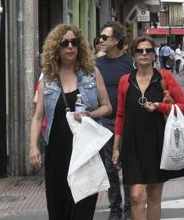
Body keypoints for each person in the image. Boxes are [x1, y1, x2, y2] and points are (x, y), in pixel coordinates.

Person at [29, 24, 112, 220]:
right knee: (58, 211)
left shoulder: (91, 74)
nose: (70, 47)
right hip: (57, 155)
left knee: (82, 212)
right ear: (55, 48)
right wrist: (33, 147)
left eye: (74, 42)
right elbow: (38, 116)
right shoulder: (47, 79)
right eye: (64, 43)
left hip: (86, 154)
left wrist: (89, 115)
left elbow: (107, 106)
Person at [112, 36, 184, 220]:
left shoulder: (164, 78)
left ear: (154, 55)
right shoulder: (125, 81)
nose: (144, 54)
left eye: (148, 50)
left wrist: (159, 106)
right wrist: (116, 147)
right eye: (140, 50)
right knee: (136, 196)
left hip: (158, 144)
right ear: (133, 55)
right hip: (132, 146)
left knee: (154, 196)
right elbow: (120, 115)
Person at [95, 22, 134, 220]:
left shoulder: (130, 63)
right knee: (110, 167)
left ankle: (128, 209)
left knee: (127, 167)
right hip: (105, 123)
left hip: (128, 123)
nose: (100, 41)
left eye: (104, 37)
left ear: (116, 40)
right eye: (100, 37)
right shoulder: (96, 64)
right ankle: (115, 208)